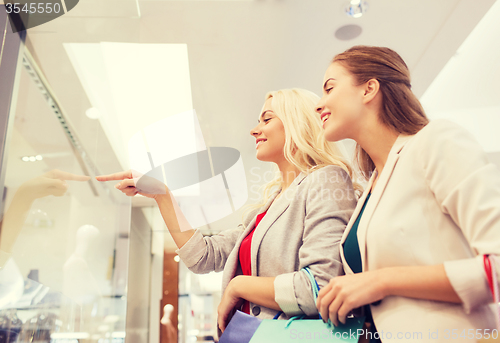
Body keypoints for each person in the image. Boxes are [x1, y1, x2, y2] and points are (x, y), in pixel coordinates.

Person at [96, 88, 359, 333]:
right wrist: (163, 195)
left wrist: (238, 286)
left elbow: (319, 287)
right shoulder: (267, 209)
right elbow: (202, 257)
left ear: (296, 124)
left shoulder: (326, 179)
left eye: (267, 119)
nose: (254, 130)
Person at [315, 46, 500, 342]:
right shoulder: (370, 190)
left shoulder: (435, 141)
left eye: (329, 88)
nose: (319, 104)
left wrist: (382, 281)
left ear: (369, 89)